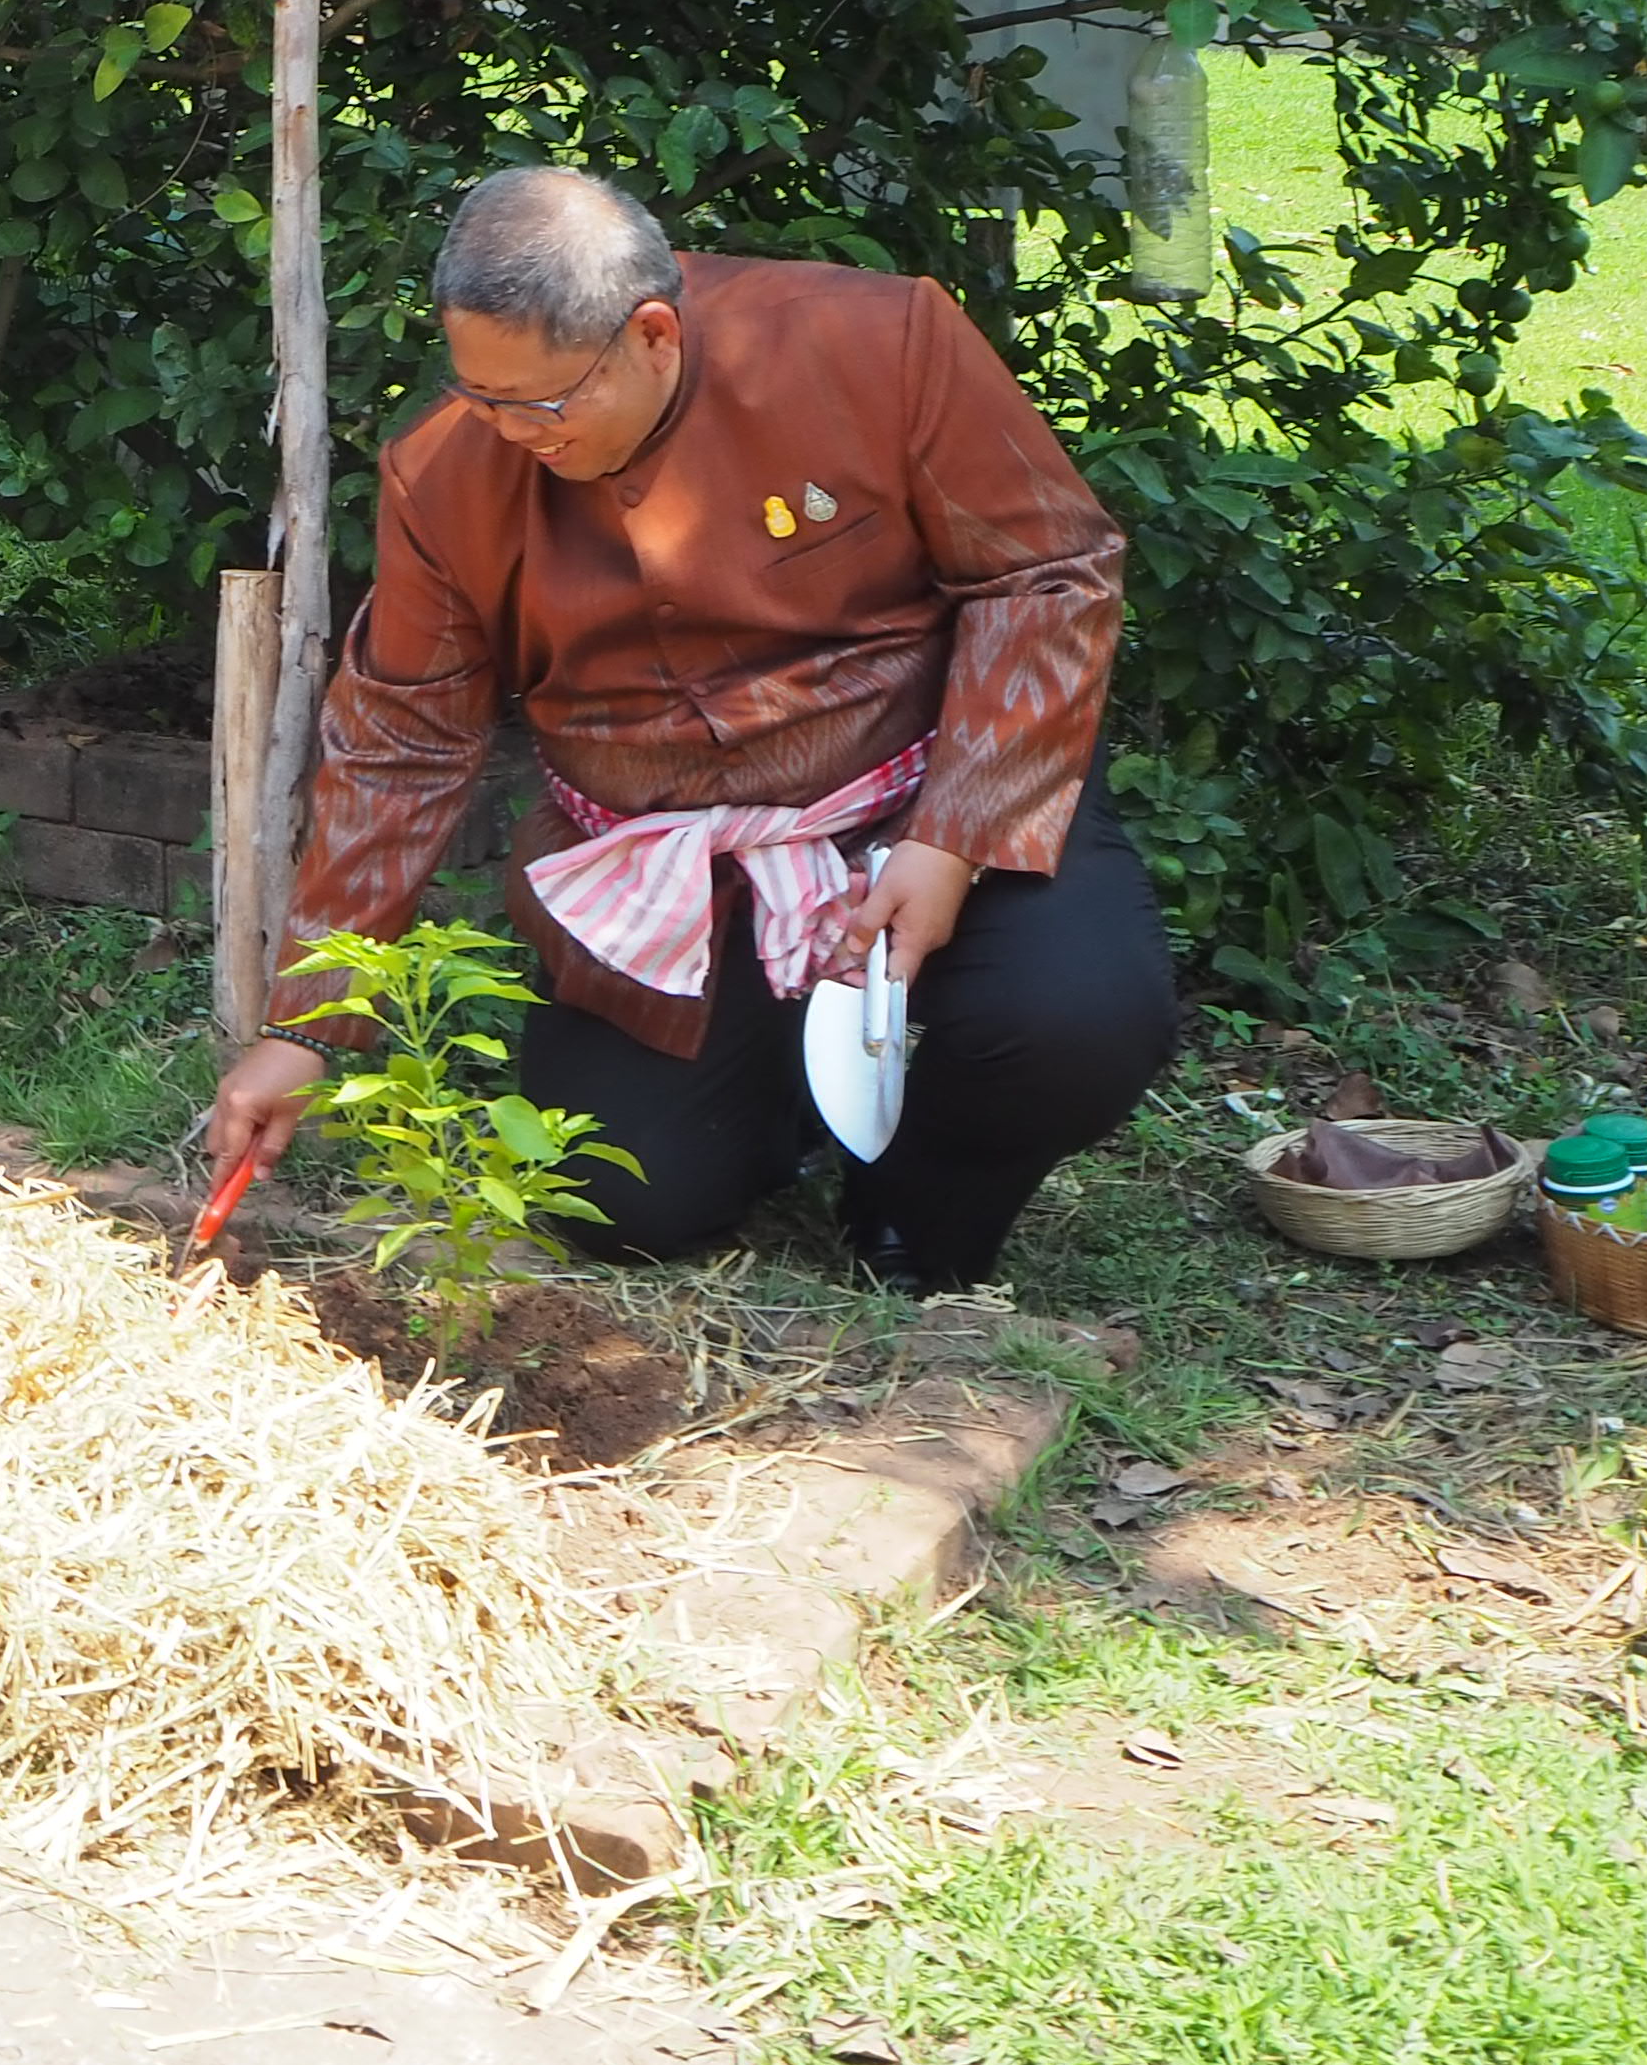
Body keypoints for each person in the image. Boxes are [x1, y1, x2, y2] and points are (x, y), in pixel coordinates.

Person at [205, 165, 1178, 1296]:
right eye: (482, 396)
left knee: (1072, 1021)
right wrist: (314, 1022)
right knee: (622, 1194)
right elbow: (403, 736)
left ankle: (919, 1202)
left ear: (654, 336)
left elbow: (1049, 572)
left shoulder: (878, 343)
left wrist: (952, 836)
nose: (514, 433)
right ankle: (788, 1106)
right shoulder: (444, 474)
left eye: (544, 403)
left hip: (921, 790)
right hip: (674, 860)